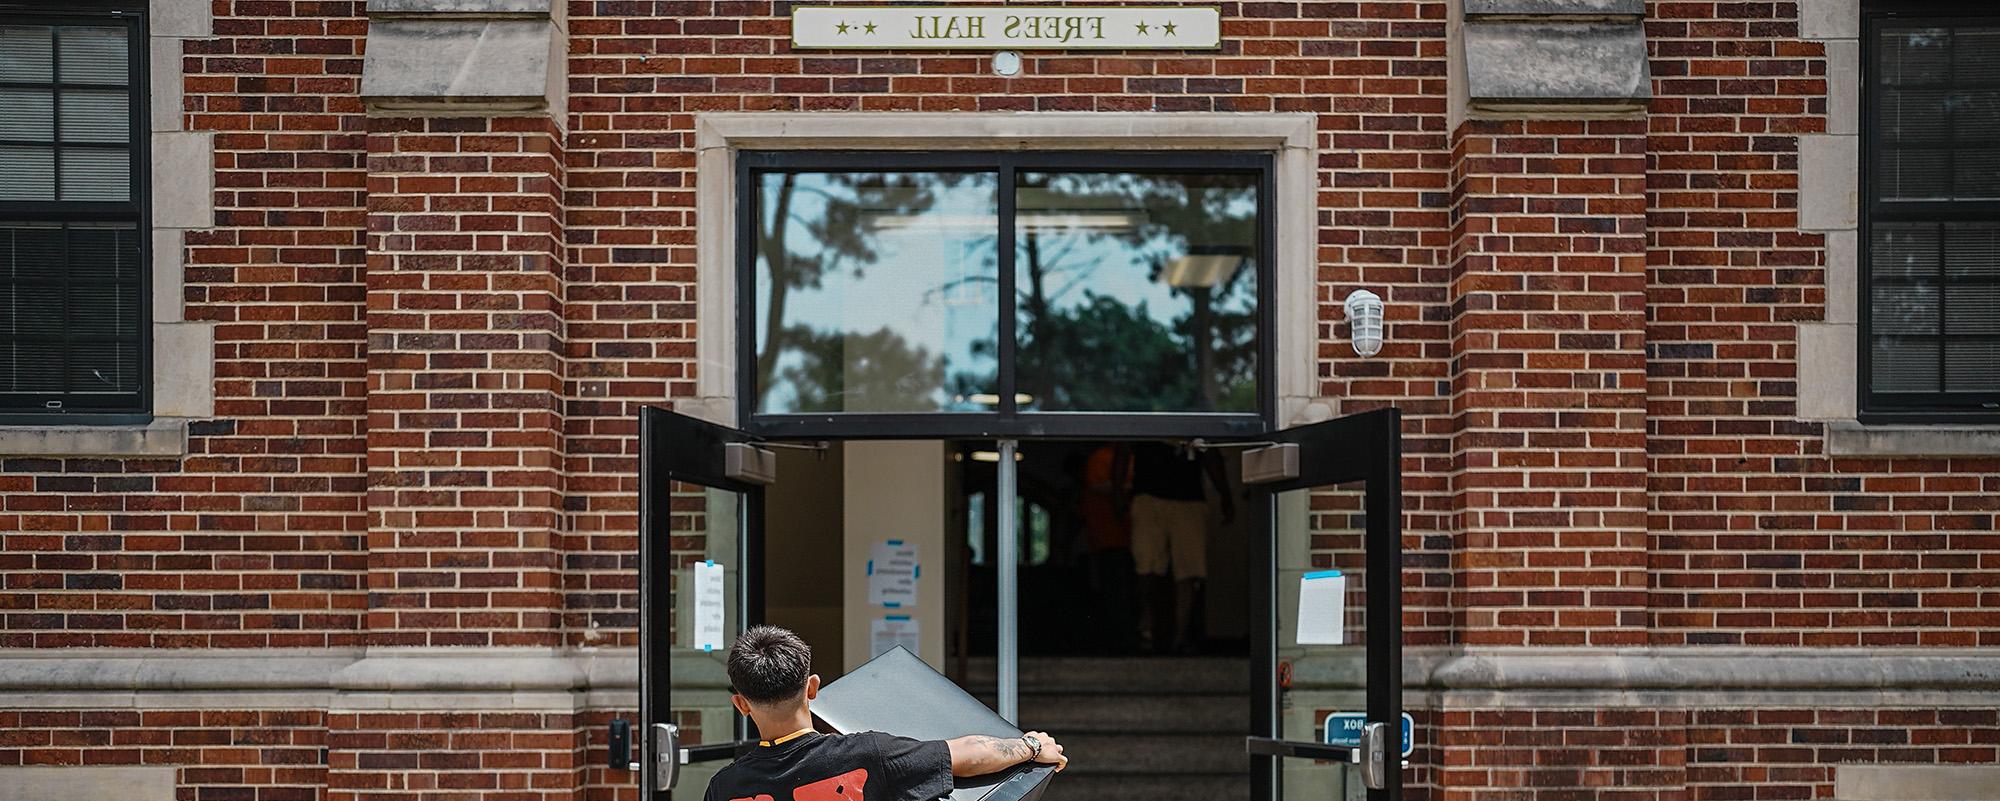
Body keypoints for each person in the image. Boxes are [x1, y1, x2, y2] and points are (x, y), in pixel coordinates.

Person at [704, 626, 1068, 801]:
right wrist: (1034, 746)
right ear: (813, 687)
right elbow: (971, 754)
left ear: (742, 704)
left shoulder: (723, 788)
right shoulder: (868, 755)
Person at [1118, 442, 1234, 654]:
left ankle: (1179, 637)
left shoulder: (1198, 412)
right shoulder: (1144, 409)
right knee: (1146, 566)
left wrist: (1225, 493)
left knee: (1189, 571)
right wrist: (1118, 495)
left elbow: (1210, 450)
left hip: (1187, 498)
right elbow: (1124, 447)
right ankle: (1147, 630)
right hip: (1148, 496)